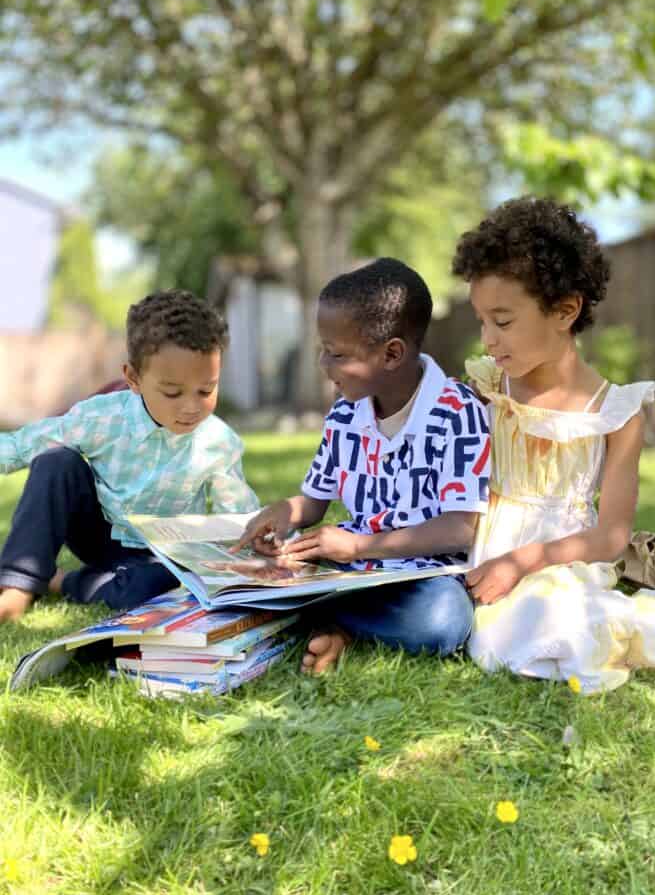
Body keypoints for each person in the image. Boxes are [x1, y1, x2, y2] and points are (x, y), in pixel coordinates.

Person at [451, 197, 655, 693]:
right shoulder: (484, 388)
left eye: (504, 320)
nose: (489, 339)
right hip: (475, 555)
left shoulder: (616, 413)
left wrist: (521, 562)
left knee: (550, 620)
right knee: (497, 630)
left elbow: (610, 538)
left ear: (566, 309)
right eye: (482, 321)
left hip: (558, 562)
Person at [226, 257, 491, 674]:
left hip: (420, 578)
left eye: (336, 354)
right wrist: (285, 512)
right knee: (262, 578)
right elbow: (314, 502)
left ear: (391, 354)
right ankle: (335, 623)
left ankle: (331, 626)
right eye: (323, 350)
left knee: (444, 621)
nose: (323, 365)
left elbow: (459, 528)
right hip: (348, 570)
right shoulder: (345, 413)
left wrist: (360, 546)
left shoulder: (458, 412)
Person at [0, 289, 259, 621]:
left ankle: (65, 582)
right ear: (133, 378)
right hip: (99, 532)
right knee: (55, 461)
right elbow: (28, 443)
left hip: (161, 556)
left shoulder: (218, 441)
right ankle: (19, 585)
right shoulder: (104, 417)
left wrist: (255, 547)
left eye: (206, 390)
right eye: (172, 392)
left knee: (158, 589)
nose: (191, 406)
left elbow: (236, 512)